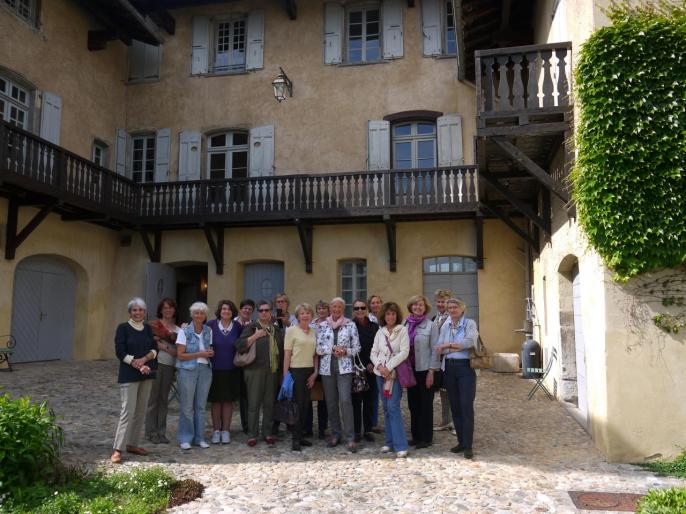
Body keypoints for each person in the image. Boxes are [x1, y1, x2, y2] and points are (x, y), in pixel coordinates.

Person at [111, 298, 158, 464]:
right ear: (130, 312)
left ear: (144, 312)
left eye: (140, 310)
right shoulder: (123, 328)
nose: (137, 313)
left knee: (140, 411)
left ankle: (133, 444)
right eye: (134, 310)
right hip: (129, 374)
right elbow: (120, 351)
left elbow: (154, 349)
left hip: (146, 373)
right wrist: (136, 363)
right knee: (127, 411)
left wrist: (144, 360)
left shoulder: (147, 329)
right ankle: (118, 449)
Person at [435, 297, 479, 459]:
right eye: (450, 307)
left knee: (466, 406)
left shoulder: (470, 324)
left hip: (465, 368)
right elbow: (439, 346)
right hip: (449, 369)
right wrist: (452, 347)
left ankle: (468, 445)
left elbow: (469, 342)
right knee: (455, 406)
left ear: (462, 309)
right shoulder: (446, 325)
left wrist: (448, 346)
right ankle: (461, 442)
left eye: (455, 307)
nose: (452, 310)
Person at [236, 300, 284, 446]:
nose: (264, 312)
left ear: (271, 312)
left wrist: (282, 372)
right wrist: (255, 336)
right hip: (254, 371)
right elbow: (239, 346)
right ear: (258, 313)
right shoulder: (251, 327)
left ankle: (267, 432)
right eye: (261, 310)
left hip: (272, 371)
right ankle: (252, 434)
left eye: (267, 310)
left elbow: (281, 352)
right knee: (254, 404)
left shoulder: (276, 330)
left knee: (269, 403)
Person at [316, 297, 361, 453]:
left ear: (343, 309)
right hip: (327, 369)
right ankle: (336, 434)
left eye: (339, 307)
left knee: (345, 400)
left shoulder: (350, 325)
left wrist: (345, 351)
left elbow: (357, 348)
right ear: (330, 309)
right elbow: (318, 348)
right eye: (334, 307)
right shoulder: (322, 326)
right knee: (331, 402)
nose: (336, 310)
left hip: (345, 368)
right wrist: (333, 349)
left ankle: (350, 437)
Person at [370, 301, 410, 458]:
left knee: (393, 407)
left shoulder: (403, 331)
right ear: (383, 316)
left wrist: (389, 367)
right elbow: (373, 352)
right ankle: (389, 442)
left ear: (396, 315)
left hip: (394, 375)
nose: (390, 316)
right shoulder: (380, 332)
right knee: (386, 407)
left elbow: (404, 352)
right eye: (387, 314)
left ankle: (401, 445)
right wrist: (380, 367)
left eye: (393, 314)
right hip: (381, 374)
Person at [175, 302, 214, 450]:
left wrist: (210, 353)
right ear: (192, 314)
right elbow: (180, 355)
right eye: (196, 313)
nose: (199, 315)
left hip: (205, 369)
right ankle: (185, 438)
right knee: (187, 406)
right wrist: (201, 354)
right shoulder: (184, 331)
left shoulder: (208, 330)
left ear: (205, 316)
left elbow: (209, 349)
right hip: (187, 370)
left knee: (201, 406)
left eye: (202, 313)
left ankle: (200, 438)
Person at [405, 294, 440, 449]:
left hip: (425, 369)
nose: (418, 307)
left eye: (421, 305)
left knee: (426, 404)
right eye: (415, 305)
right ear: (411, 307)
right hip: (409, 369)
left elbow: (435, 350)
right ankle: (416, 436)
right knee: (413, 404)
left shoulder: (431, 325)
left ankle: (426, 438)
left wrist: (432, 371)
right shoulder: (406, 323)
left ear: (425, 308)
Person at [283, 303, 319, 451]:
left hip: (309, 371)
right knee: (297, 406)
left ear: (311, 315)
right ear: (298, 316)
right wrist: (285, 375)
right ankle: (295, 440)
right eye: (302, 313)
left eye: (308, 313)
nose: (305, 315)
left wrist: (315, 373)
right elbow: (287, 353)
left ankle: (301, 435)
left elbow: (316, 354)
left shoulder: (313, 331)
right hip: (296, 371)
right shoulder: (291, 331)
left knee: (306, 405)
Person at [207, 300, 243, 444]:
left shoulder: (237, 327)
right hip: (214, 369)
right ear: (219, 311)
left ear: (232, 312)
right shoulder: (211, 325)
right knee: (216, 402)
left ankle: (226, 430)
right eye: (223, 309)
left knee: (228, 402)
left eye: (228, 309)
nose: (226, 311)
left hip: (231, 369)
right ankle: (216, 431)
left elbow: (242, 344)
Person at [145, 298, 179, 445]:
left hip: (170, 366)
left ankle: (161, 432)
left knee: (164, 400)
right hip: (156, 363)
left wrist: (164, 346)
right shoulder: (153, 325)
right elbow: (148, 342)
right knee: (153, 399)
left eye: (170, 308)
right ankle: (151, 432)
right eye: (165, 308)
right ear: (161, 310)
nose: (168, 310)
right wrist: (166, 348)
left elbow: (180, 350)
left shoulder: (178, 329)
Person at [351, 299, 379, 443]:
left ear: (367, 309)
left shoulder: (374, 327)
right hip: (356, 369)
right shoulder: (350, 326)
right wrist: (360, 364)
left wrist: (372, 363)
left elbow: (378, 347)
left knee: (369, 400)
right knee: (356, 401)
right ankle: (356, 431)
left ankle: (368, 429)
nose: (360, 310)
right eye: (357, 308)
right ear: (353, 310)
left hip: (371, 368)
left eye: (363, 308)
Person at [305, 300, 329, 439]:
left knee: (323, 399)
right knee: (309, 397)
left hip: (325, 364)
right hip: (310, 363)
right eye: (319, 308)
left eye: (324, 308)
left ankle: (322, 428)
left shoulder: (331, 324)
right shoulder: (311, 325)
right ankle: (308, 427)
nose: (321, 311)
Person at [432, 288, 454, 433]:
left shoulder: (453, 317)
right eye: (438, 301)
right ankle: (446, 421)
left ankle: (456, 422)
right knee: (443, 391)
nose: (440, 304)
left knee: (453, 392)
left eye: (443, 301)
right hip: (439, 361)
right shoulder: (435, 318)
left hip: (450, 359)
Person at [235, 299, 255, 434]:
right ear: (240, 310)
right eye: (245, 308)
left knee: (246, 395)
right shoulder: (232, 323)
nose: (247, 311)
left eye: (249, 309)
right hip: (233, 362)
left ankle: (247, 424)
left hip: (247, 362)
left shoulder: (254, 325)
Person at [367, 295, 384, 432]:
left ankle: (376, 420)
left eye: (378, 302)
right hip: (373, 359)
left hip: (386, 359)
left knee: (383, 392)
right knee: (372, 393)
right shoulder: (367, 320)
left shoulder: (386, 318)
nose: (375, 305)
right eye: (373, 303)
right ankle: (372, 423)